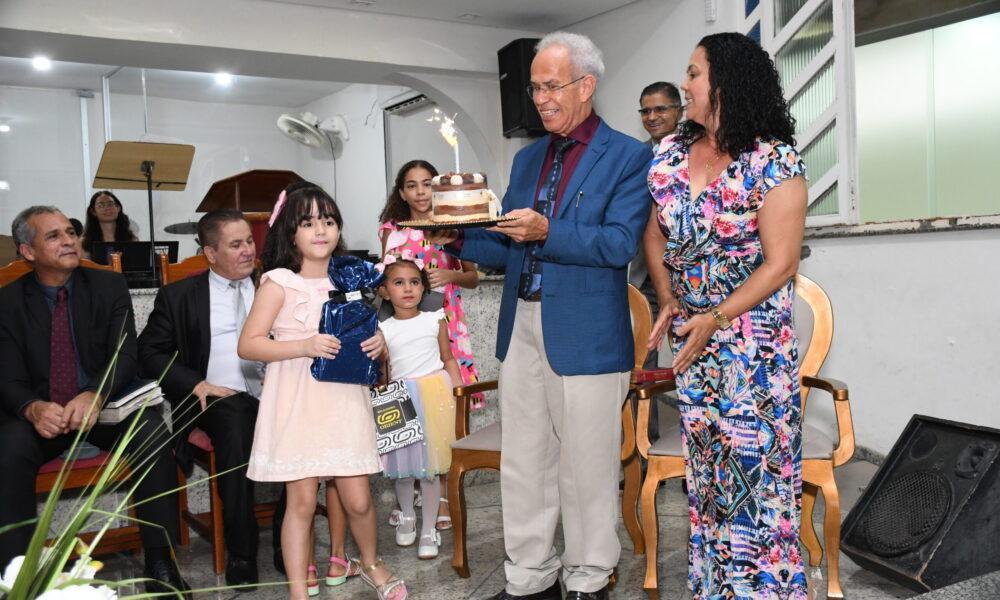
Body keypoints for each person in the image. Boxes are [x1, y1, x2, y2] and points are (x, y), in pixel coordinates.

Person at [433, 31, 651, 600]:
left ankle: (589, 577)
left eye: (552, 86)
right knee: (524, 462)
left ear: (587, 85)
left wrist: (547, 230)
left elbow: (618, 244)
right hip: (522, 327)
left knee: (586, 466)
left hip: (587, 334)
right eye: (534, 88)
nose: (541, 99)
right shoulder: (528, 158)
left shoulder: (628, 156)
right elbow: (510, 246)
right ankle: (530, 577)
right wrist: (458, 238)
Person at [645, 32, 809, 599]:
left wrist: (716, 316)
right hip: (695, 342)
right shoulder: (670, 153)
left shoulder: (774, 161)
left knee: (756, 481)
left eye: (694, 73)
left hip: (752, 347)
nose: (685, 84)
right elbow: (655, 231)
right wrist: (667, 296)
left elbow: (782, 263)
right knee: (710, 482)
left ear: (726, 82)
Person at [0, 206, 188, 595]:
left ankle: (160, 561)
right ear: (28, 251)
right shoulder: (7, 302)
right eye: (53, 236)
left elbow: (125, 354)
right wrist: (32, 408)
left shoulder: (108, 286)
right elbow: (7, 375)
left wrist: (95, 394)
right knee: (9, 447)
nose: (68, 240)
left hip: (103, 408)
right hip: (43, 415)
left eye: (70, 232)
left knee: (152, 432)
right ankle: (16, 573)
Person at [237, 183, 406, 600]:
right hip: (297, 401)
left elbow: (365, 330)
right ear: (290, 232)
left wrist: (379, 342)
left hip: (344, 400)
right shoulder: (278, 282)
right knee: (300, 504)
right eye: (308, 222)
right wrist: (305, 345)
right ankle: (298, 591)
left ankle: (371, 564)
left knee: (359, 500)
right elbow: (249, 345)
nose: (320, 230)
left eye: (328, 221)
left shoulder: (351, 278)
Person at [137, 208, 263, 587]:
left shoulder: (274, 285)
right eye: (236, 245)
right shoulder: (179, 296)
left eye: (250, 241)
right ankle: (243, 552)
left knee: (307, 418)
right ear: (210, 253)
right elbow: (148, 352)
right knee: (236, 423)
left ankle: (286, 537)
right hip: (216, 398)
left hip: (276, 392)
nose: (248, 250)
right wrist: (194, 383)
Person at [379, 159, 482, 530]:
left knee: (439, 410)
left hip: (445, 320)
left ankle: (439, 497)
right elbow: (386, 277)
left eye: (427, 183)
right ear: (401, 192)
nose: (420, 192)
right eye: (412, 185)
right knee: (406, 406)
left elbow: (473, 277)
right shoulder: (391, 229)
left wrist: (451, 273)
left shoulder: (454, 225)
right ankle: (408, 496)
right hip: (404, 325)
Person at [376, 257, 461, 561]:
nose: (408, 289)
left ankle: (428, 530)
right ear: (385, 292)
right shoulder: (382, 329)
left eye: (414, 282)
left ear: (423, 288)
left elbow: (447, 357)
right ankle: (408, 516)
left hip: (434, 396)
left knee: (430, 470)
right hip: (399, 399)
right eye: (399, 283)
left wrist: (457, 389)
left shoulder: (434, 319)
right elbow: (383, 371)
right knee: (402, 470)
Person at [628, 80, 684, 443]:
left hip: (689, 277)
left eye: (661, 109)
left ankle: (696, 455)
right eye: (646, 110)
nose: (652, 116)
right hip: (643, 278)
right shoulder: (636, 158)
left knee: (693, 364)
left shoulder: (696, 152)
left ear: (679, 111)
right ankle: (645, 453)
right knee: (642, 368)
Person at [81, 191, 138, 259]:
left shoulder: (132, 239)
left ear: (118, 208)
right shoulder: (84, 243)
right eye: (101, 206)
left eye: (110, 204)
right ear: (93, 212)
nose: (107, 208)